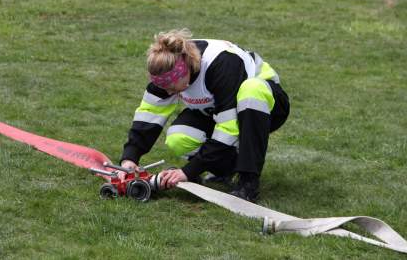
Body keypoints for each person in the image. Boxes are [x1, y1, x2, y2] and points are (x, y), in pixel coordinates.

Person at [119, 29, 290, 202]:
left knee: (252, 89)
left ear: (184, 70)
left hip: (267, 106)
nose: (168, 92)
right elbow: (150, 113)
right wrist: (130, 158)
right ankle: (226, 171)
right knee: (179, 137)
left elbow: (228, 130)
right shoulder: (166, 68)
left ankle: (248, 182)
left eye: (171, 87)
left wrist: (188, 171)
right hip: (219, 109)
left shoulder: (222, 63)